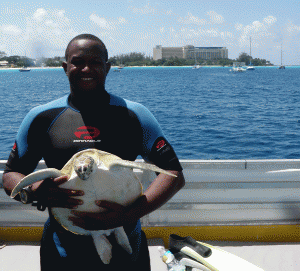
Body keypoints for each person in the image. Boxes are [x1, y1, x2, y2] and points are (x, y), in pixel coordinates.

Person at [2, 34, 185, 271]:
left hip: (125, 237)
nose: (86, 68)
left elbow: (173, 174)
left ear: (107, 67)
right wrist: (32, 191)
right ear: (65, 67)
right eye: (78, 61)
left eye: (96, 62)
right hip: (62, 244)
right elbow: (11, 174)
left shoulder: (134, 115)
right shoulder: (41, 117)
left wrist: (128, 215)